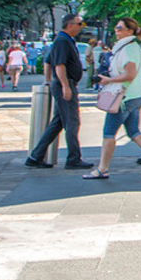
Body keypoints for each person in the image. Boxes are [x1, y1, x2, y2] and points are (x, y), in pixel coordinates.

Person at [84, 18, 141, 180]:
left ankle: (102, 168)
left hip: (123, 97)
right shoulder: (130, 47)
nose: (116, 31)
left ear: (129, 31)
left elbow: (130, 74)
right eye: (116, 28)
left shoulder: (127, 49)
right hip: (133, 95)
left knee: (109, 133)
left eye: (120, 28)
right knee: (134, 132)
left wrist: (108, 81)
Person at [24, 13, 92, 169]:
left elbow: (48, 62)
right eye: (79, 24)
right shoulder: (62, 41)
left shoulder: (63, 40)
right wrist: (65, 86)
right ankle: (73, 158)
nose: (81, 27)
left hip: (61, 84)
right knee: (72, 122)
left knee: (59, 122)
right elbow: (59, 65)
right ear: (69, 25)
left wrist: (49, 81)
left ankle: (35, 156)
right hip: (65, 84)